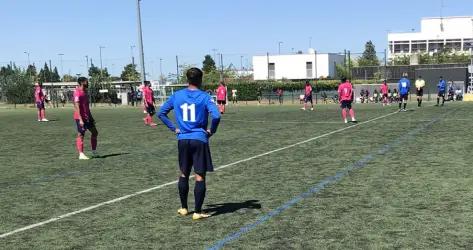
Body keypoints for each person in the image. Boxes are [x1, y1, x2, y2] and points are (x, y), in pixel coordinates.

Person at [158, 68, 221, 220]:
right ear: (200, 80)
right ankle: (198, 212)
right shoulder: (205, 97)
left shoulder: (177, 95)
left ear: (187, 79)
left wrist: (174, 128)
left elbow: (161, 113)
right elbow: (217, 115)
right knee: (199, 175)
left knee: (183, 173)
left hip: (183, 139)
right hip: (199, 139)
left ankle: (184, 208)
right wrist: (211, 131)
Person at [74, 77, 99, 160]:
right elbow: (77, 107)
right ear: (81, 82)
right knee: (81, 134)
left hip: (87, 117)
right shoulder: (77, 92)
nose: (87, 82)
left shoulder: (85, 92)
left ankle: (94, 152)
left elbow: (87, 107)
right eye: (86, 81)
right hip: (80, 117)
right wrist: (80, 119)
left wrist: (91, 117)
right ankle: (81, 154)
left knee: (95, 132)